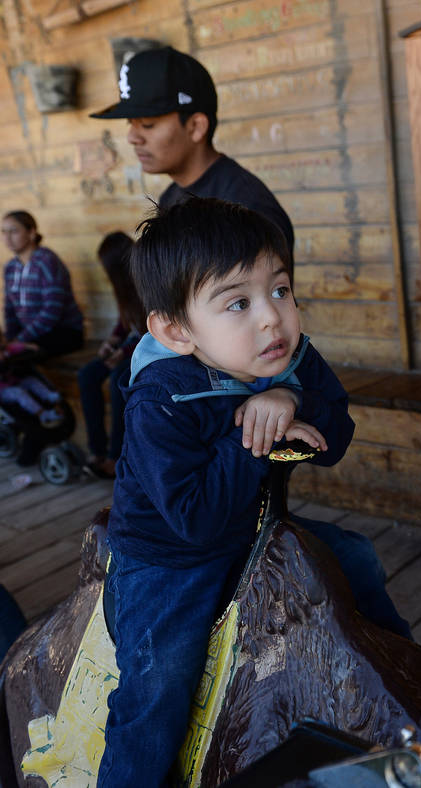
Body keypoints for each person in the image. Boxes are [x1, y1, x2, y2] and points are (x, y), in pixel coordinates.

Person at [99, 198, 421, 786]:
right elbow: (194, 518)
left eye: (281, 290)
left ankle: (399, 661)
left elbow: (335, 431)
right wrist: (251, 437)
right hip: (170, 559)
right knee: (158, 683)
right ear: (175, 329)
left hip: (253, 528)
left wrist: (288, 400)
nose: (272, 317)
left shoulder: (288, 360)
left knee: (354, 555)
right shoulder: (161, 399)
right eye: (238, 302)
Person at [89, 46, 295, 282]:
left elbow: (261, 314)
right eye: (131, 124)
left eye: (147, 124)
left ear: (196, 126)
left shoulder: (246, 208)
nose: (133, 137)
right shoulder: (170, 199)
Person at [77, 232, 145, 479]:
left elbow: (152, 332)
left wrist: (123, 352)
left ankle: (115, 456)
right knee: (87, 374)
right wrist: (112, 341)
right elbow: (125, 323)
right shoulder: (123, 287)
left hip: (150, 349)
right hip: (130, 345)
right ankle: (96, 450)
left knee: (119, 378)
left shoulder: (145, 281)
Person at [2, 210, 84, 358]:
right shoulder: (10, 267)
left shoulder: (47, 262)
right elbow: (9, 310)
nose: (7, 238)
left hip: (62, 332)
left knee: (18, 357)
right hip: (31, 334)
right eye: (3, 231)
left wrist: (19, 340)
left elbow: (52, 310)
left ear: (32, 233)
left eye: (14, 231)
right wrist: (10, 339)